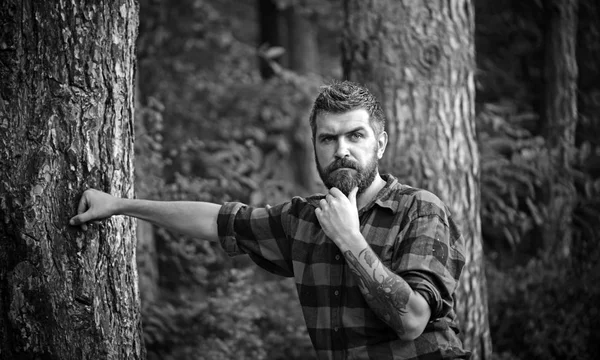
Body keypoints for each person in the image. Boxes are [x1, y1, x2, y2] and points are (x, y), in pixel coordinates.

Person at [70, 81, 470, 360]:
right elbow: (218, 221)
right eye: (328, 139)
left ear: (380, 143)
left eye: (356, 136)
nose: (341, 150)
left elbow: (413, 320)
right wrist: (119, 204)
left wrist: (349, 238)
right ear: (314, 145)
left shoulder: (420, 209)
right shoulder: (304, 219)